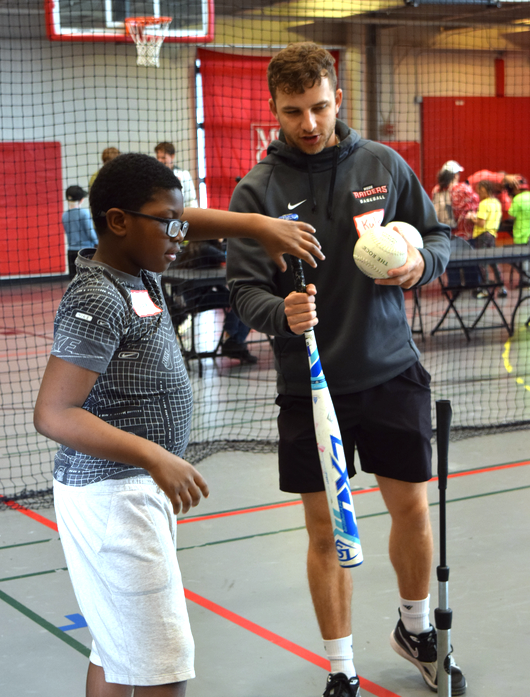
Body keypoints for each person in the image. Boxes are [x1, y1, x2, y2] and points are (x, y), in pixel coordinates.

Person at [33, 153, 322, 697]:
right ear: (119, 221)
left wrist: (259, 226)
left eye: (179, 222)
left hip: (132, 490)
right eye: (169, 224)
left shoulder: (136, 267)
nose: (181, 235)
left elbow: (186, 219)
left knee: (117, 650)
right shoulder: (97, 296)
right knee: (164, 666)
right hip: (113, 493)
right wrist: (153, 454)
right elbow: (53, 413)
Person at [226, 42, 466, 697]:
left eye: (320, 107)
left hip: (391, 371)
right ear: (274, 109)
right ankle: (340, 667)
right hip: (309, 387)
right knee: (325, 532)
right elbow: (244, 290)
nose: (309, 122)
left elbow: (438, 235)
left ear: (339, 98)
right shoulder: (257, 191)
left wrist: (426, 264)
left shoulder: (382, 164)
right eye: (294, 111)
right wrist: (282, 313)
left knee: (411, 511)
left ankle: (415, 629)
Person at [175, 240, 258, 363]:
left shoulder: (196, 245)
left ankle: (233, 340)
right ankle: (233, 341)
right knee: (241, 300)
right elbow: (231, 258)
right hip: (198, 299)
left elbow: (214, 281)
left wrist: (229, 295)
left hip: (193, 297)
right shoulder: (206, 248)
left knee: (237, 298)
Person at [468, 179, 507, 298]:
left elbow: (481, 223)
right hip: (492, 235)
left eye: (479, 190)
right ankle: (502, 288)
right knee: (493, 262)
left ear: (485, 190)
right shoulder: (496, 203)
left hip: (482, 235)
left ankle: (485, 290)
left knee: (482, 263)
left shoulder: (484, 204)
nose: (478, 192)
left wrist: (471, 218)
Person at [431, 161, 478, 240]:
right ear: (455, 175)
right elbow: (476, 203)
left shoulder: (436, 190)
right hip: (464, 234)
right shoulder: (463, 189)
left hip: (443, 232)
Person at [62, 185, 98, 278]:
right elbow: (90, 233)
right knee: (88, 280)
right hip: (85, 253)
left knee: (74, 281)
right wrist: (98, 243)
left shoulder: (64, 215)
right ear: (81, 199)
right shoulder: (84, 213)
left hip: (71, 252)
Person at [155, 141, 199, 208]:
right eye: (158, 157)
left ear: (172, 156)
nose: (160, 161)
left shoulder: (184, 175)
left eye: (163, 158)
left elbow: (191, 200)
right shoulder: (155, 176)